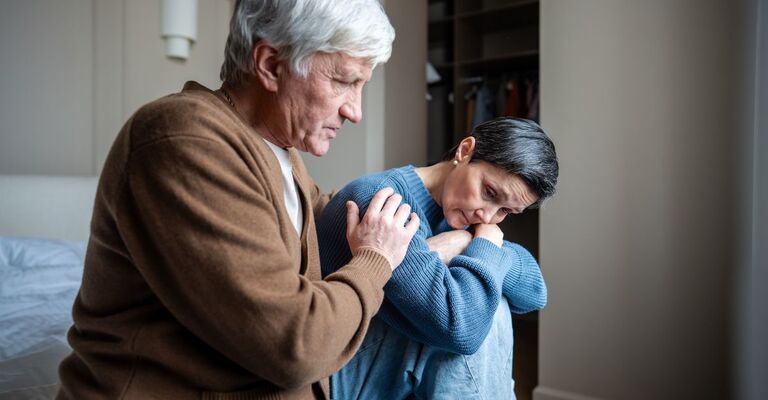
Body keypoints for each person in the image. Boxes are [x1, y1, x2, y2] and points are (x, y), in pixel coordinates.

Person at [57, 1, 420, 399]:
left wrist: (453, 194)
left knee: (462, 331)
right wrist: (375, 262)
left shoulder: (277, 149)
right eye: (344, 81)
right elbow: (293, 345)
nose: (356, 111)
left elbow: (335, 216)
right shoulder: (183, 140)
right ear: (271, 65)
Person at [316, 117, 559, 399]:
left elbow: (536, 293)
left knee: (485, 296)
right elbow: (463, 330)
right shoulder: (382, 204)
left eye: (505, 211)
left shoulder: (464, 218)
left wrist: (469, 240)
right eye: (489, 192)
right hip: (337, 369)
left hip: (376, 359)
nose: (488, 216)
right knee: (482, 308)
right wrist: (482, 246)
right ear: (465, 150)